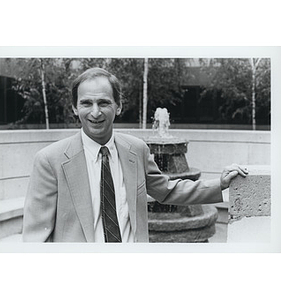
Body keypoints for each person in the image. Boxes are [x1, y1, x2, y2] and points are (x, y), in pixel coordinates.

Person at [22, 67, 248, 243]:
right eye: (86, 103)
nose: (95, 112)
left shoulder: (136, 149)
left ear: (118, 106)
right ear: (74, 108)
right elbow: (35, 240)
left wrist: (219, 184)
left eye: (103, 102)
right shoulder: (50, 160)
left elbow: (168, 191)